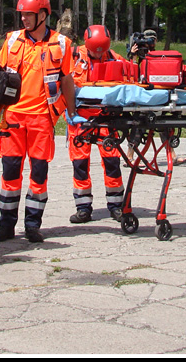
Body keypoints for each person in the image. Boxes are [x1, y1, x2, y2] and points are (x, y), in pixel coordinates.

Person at [0, 0, 78, 243]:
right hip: (13, 118)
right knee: (10, 173)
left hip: (42, 119)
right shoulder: (12, 40)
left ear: (43, 15)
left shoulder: (61, 43)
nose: (24, 19)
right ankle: (6, 225)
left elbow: (67, 81)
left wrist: (71, 112)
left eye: (28, 14)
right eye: (22, 14)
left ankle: (32, 225)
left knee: (38, 174)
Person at [67, 25, 125, 223]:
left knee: (112, 161)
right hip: (80, 119)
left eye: (101, 51)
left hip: (106, 117)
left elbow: (130, 77)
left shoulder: (115, 58)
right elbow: (62, 81)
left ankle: (116, 205)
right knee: (80, 163)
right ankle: (83, 207)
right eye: (94, 51)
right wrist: (68, 111)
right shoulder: (74, 57)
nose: (98, 54)